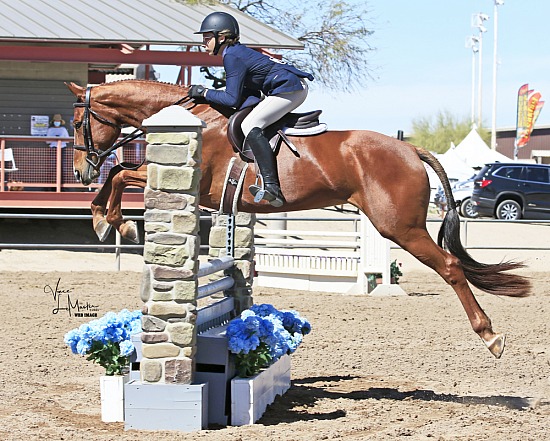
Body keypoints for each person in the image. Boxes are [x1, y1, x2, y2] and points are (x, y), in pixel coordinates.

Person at [189, 11, 314, 207]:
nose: (203, 43)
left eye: (207, 38)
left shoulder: (232, 56)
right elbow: (246, 96)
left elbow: (231, 98)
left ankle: (272, 187)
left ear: (221, 37)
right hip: (286, 87)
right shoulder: (235, 52)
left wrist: (204, 93)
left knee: (251, 124)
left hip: (289, 89)